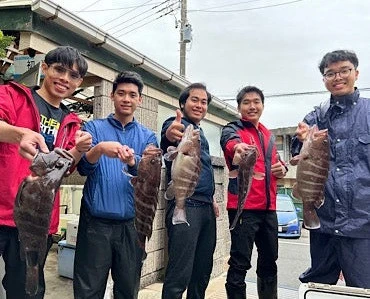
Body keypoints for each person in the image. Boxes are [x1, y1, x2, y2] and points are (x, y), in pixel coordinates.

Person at [0, 45, 92, 299]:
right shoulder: (12, 95)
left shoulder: (73, 122)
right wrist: (18, 133)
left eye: (73, 75)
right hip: (1, 212)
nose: (65, 79)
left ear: (79, 82)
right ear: (44, 68)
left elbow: (63, 171)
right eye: (59, 70)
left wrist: (78, 151)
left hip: (38, 221)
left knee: (27, 291)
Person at [73, 71, 157, 299]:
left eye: (132, 94)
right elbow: (83, 169)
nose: (126, 99)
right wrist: (99, 149)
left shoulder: (148, 137)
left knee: (128, 290)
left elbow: (150, 177)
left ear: (140, 100)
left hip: (132, 225)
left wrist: (132, 161)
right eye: (121, 93)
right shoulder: (94, 128)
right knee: (88, 289)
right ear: (112, 96)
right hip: (95, 223)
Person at [291, 50, 370, 288]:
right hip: (323, 223)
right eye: (330, 73)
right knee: (318, 288)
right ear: (324, 79)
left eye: (344, 71)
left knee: (363, 289)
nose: (337, 77)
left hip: (362, 225)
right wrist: (300, 140)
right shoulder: (316, 115)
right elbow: (298, 154)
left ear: (356, 73)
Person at [220, 86, 287, 299]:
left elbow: (276, 162)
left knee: (270, 260)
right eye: (246, 102)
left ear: (262, 106)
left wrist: (282, 168)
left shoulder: (267, 135)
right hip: (244, 209)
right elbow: (229, 141)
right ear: (239, 107)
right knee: (240, 262)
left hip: (269, 209)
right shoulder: (234, 128)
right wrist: (237, 147)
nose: (252, 106)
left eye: (256, 102)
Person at [160, 83, 219, 299]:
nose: (200, 105)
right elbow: (169, 135)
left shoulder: (200, 132)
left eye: (204, 102)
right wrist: (170, 133)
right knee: (179, 274)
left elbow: (200, 170)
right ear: (183, 103)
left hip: (205, 208)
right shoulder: (178, 125)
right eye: (195, 100)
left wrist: (211, 198)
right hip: (185, 205)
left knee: (202, 273)